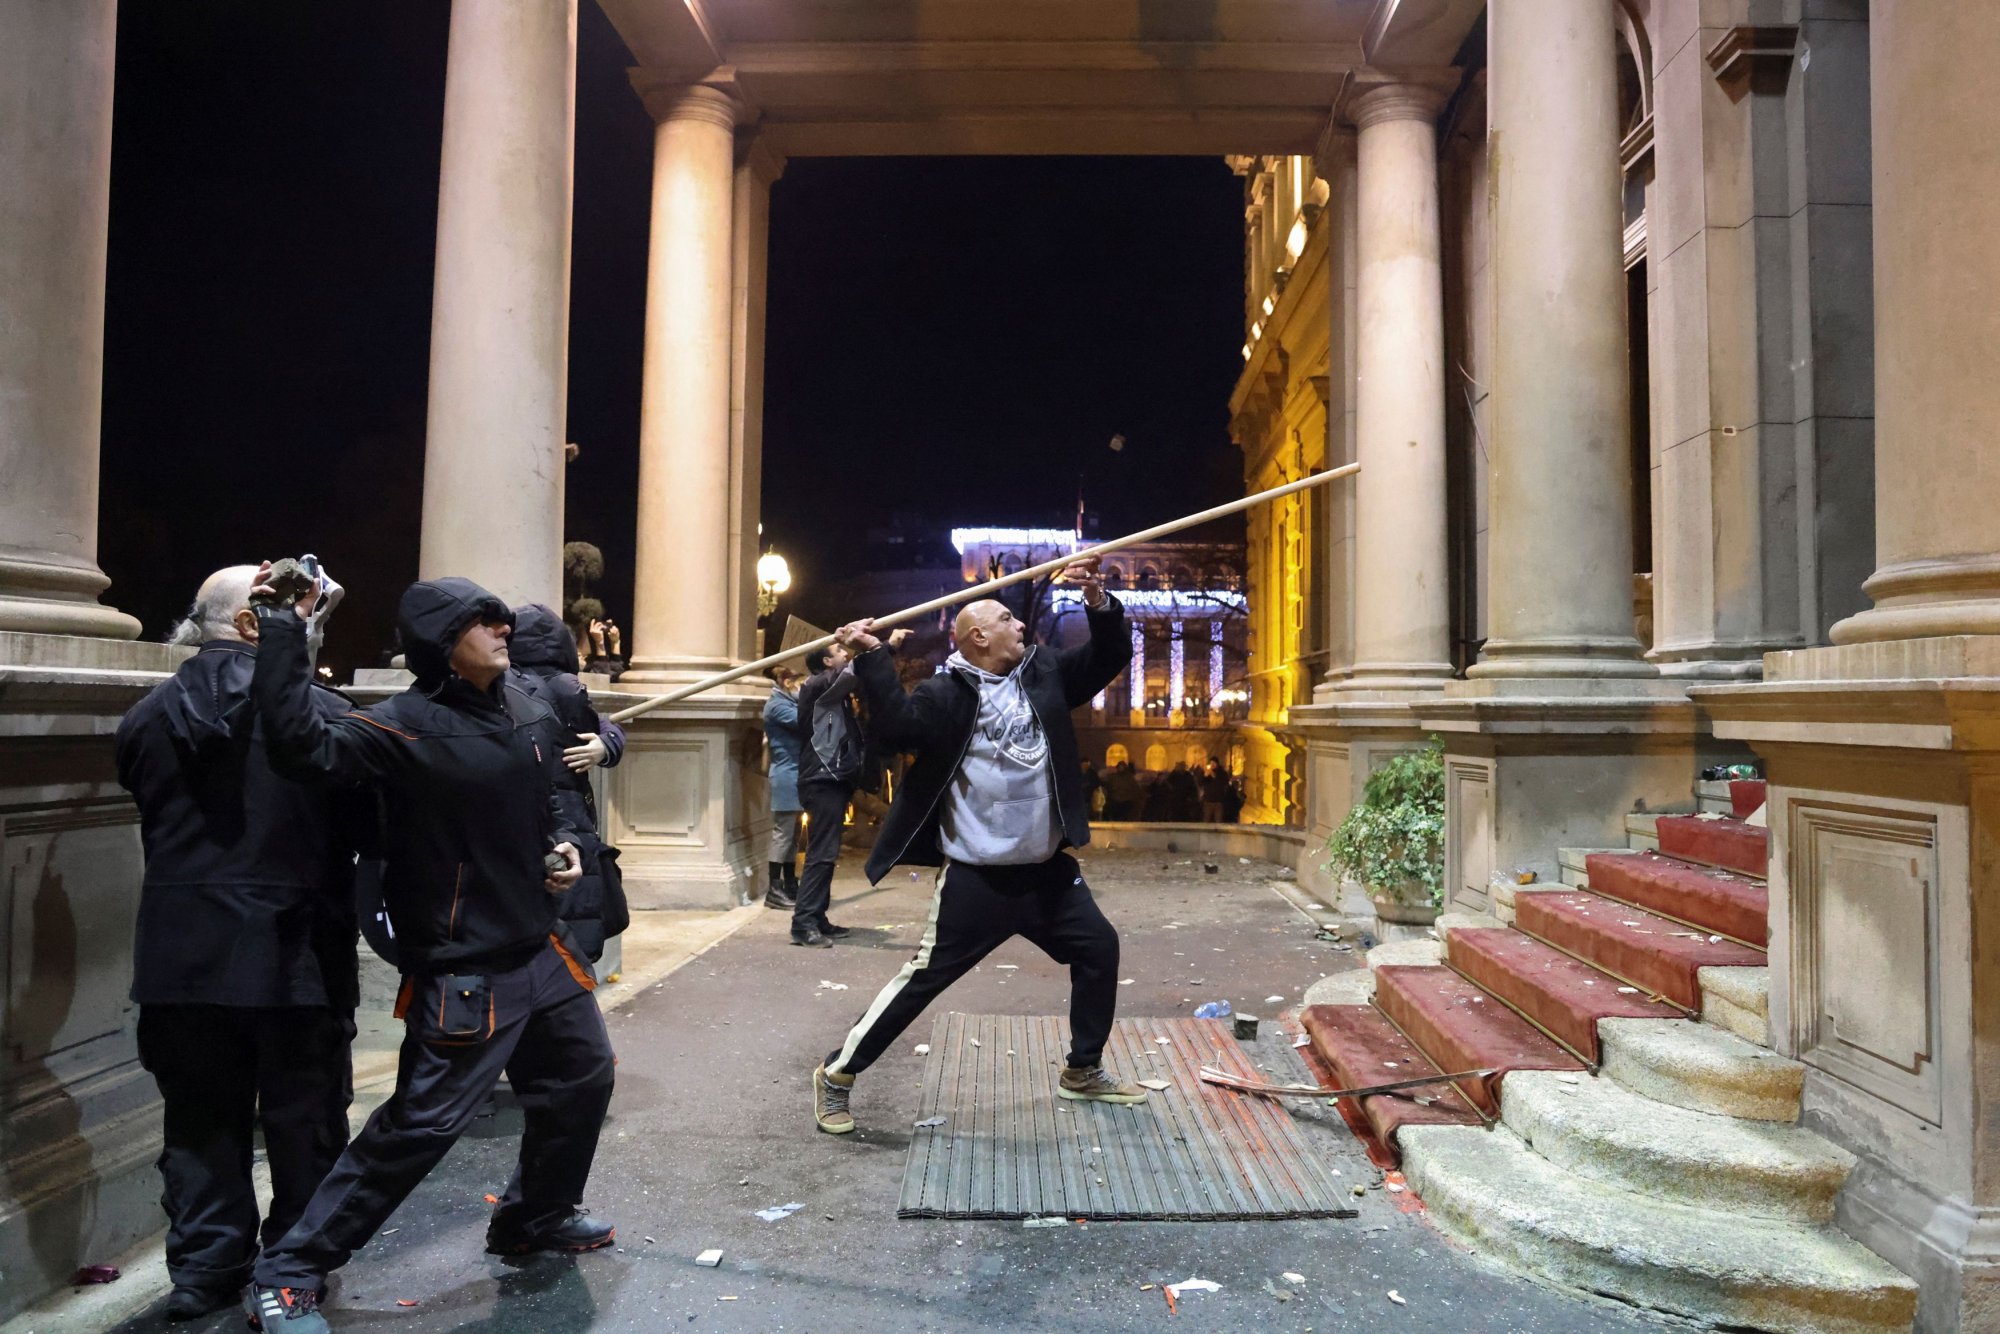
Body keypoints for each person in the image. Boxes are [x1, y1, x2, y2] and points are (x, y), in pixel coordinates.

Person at [242, 569, 614, 1333]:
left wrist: (567, 845)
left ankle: (531, 1218)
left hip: (539, 951)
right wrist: (284, 627)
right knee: (420, 1126)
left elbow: (550, 798)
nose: (503, 628)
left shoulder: (527, 706)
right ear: (443, 647)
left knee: (581, 1077)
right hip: (463, 965)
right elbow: (296, 746)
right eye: (484, 622)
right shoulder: (396, 728)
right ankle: (289, 1271)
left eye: (501, 618)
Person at [811, 557, 1147, 1135]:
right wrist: (870, 655)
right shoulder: (944, 694)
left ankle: (1083, 1070)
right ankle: (838, 1075)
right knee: (923, 980)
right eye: (1007, 619)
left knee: (1099, 948)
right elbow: (895, 730)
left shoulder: (1043, 672)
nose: (1021, 626)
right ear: (978, 637)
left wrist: (1098, 602)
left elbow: (1109, 657)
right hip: (978, 879)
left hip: (1045, 872)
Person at [114, 566, 363, 1322]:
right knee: (304, 1120)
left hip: (180, 954)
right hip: (296, 954)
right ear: (257, 623)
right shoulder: (320, 716)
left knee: (198, 1121)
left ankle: (204, 1267)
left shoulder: (148, 716)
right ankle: (292, 1263)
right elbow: (358, 825)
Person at [509, 603, 629, 964]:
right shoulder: (568, 689)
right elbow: (604, 725)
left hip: (529, 823)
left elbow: (603, 726)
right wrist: (608, 743)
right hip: (570, 822)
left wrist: (607, 742)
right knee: (570, 935)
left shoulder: (505, 688)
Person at [790, 642, 864, 947]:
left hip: (831, 779)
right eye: (839, 651)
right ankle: (803, 923)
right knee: (820, 855)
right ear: (825, 661)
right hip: (822, 780)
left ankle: (817, 918)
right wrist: (879, 647)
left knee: (826, 855)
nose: (845, 654)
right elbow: (853, 672)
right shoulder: (817, 685)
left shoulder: (832, 692)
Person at [762, 665, 805, 910]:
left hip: (795, 773)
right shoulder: (777, 705)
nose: (803, 689)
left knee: (794, 834)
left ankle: (789, 882)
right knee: (783, 834)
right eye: (800, 683)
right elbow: (805, 721)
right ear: (788, 681)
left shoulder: (786, 702)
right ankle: (774, 889)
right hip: (786, 773)